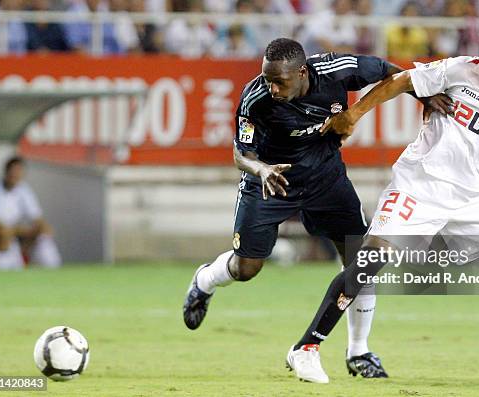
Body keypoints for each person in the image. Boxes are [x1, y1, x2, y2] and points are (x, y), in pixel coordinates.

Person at [285, 13, 479, 384]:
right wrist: (353, 115)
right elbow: (400, 80)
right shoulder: (462, 70)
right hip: (419, 181)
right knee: (369, 261)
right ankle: (306, 348)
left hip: (469, 191)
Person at [182, 38, 450, 380]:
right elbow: (241, 155)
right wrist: (262, 169)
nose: (273, 88)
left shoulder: (337, 70)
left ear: (303, 72)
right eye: (267, 79)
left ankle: (359, 351)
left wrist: (422, 94)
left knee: (360, 260)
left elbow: (390, 73)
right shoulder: (255, 99)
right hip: (270, 182)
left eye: (280, 81)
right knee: (247, 267)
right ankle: (205, 279)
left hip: (325, 178)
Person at [0, 157, 62, 269]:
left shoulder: (24, 190)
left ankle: (53, 277)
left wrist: (41, 228)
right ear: (6, 171)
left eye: (19, 171)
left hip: (16, 235)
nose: (16, 174)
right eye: (13, 171)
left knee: (45, 240)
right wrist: (24, 231)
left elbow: (37, 218)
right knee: (2, 253)